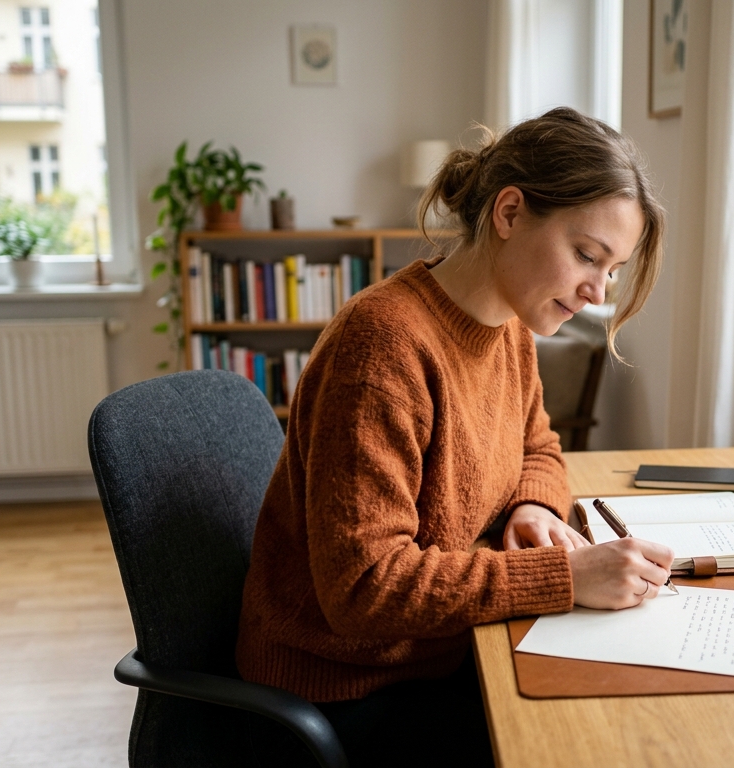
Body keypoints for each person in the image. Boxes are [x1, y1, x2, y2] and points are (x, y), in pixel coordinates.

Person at [236, 107, 670, 766]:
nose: (596, 290)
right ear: (509, 213)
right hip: (347, 689)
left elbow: (539, 448)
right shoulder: (382, 346)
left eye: (611, 270)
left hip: (446, 650)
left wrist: (532, 505)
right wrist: (562, 575)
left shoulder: (510, 329)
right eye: (587, 255)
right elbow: (365, 590)